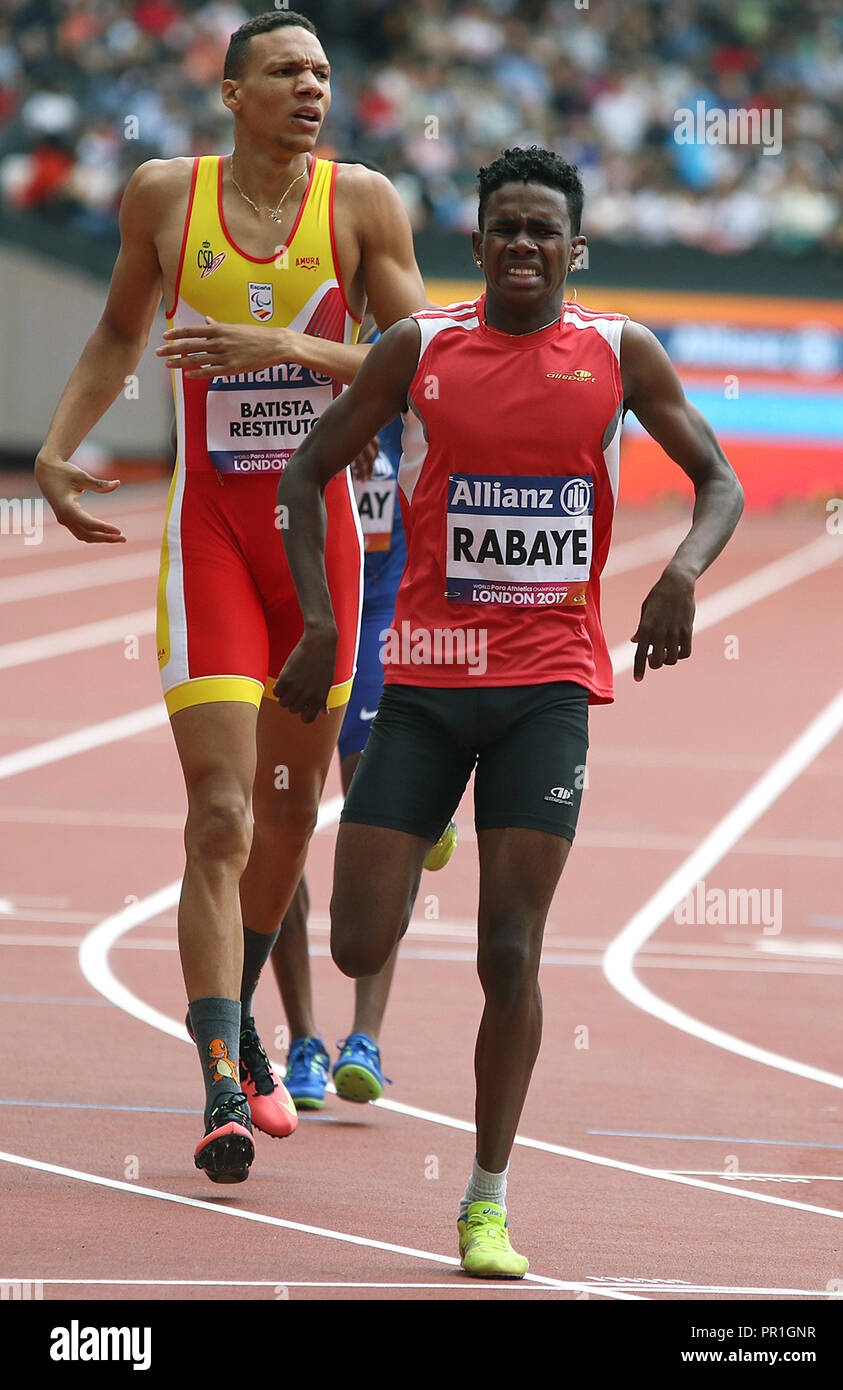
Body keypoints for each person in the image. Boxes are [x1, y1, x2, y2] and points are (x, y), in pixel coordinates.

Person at [272, 146, 744, 1274]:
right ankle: (428, 819)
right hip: (427, 682)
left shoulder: (618, 353)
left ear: (575, 250)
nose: (523, 245)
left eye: (544, 230)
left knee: (509, 950)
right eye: (504, 229)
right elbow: (304, 475)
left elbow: (718, 481)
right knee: (356, 942)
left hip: (547, 690)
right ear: (476, 244)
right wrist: (323, 624)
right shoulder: (418, 348)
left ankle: (484, 1201)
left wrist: (680, 572)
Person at [34, 10, 428, 1185]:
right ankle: (218, 1072)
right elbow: (116, 332)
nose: (312, 90)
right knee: (219, 813)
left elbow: (422, 358)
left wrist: (287, 355)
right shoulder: (164, 196)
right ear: (232, 92)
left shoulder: (361, 203)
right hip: (207, 537)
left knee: (289, 817)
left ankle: (246, 1014)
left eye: (321, 73)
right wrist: (58, 448)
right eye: (287, 74)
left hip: (319, 557)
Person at [270, 312, 456, 1110]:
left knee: (383, 823)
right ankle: (303, 1038)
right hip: (306, 603)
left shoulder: (416, 361)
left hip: (384, 604)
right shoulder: (293, 366)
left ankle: (366, 1038)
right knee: (277, 825)